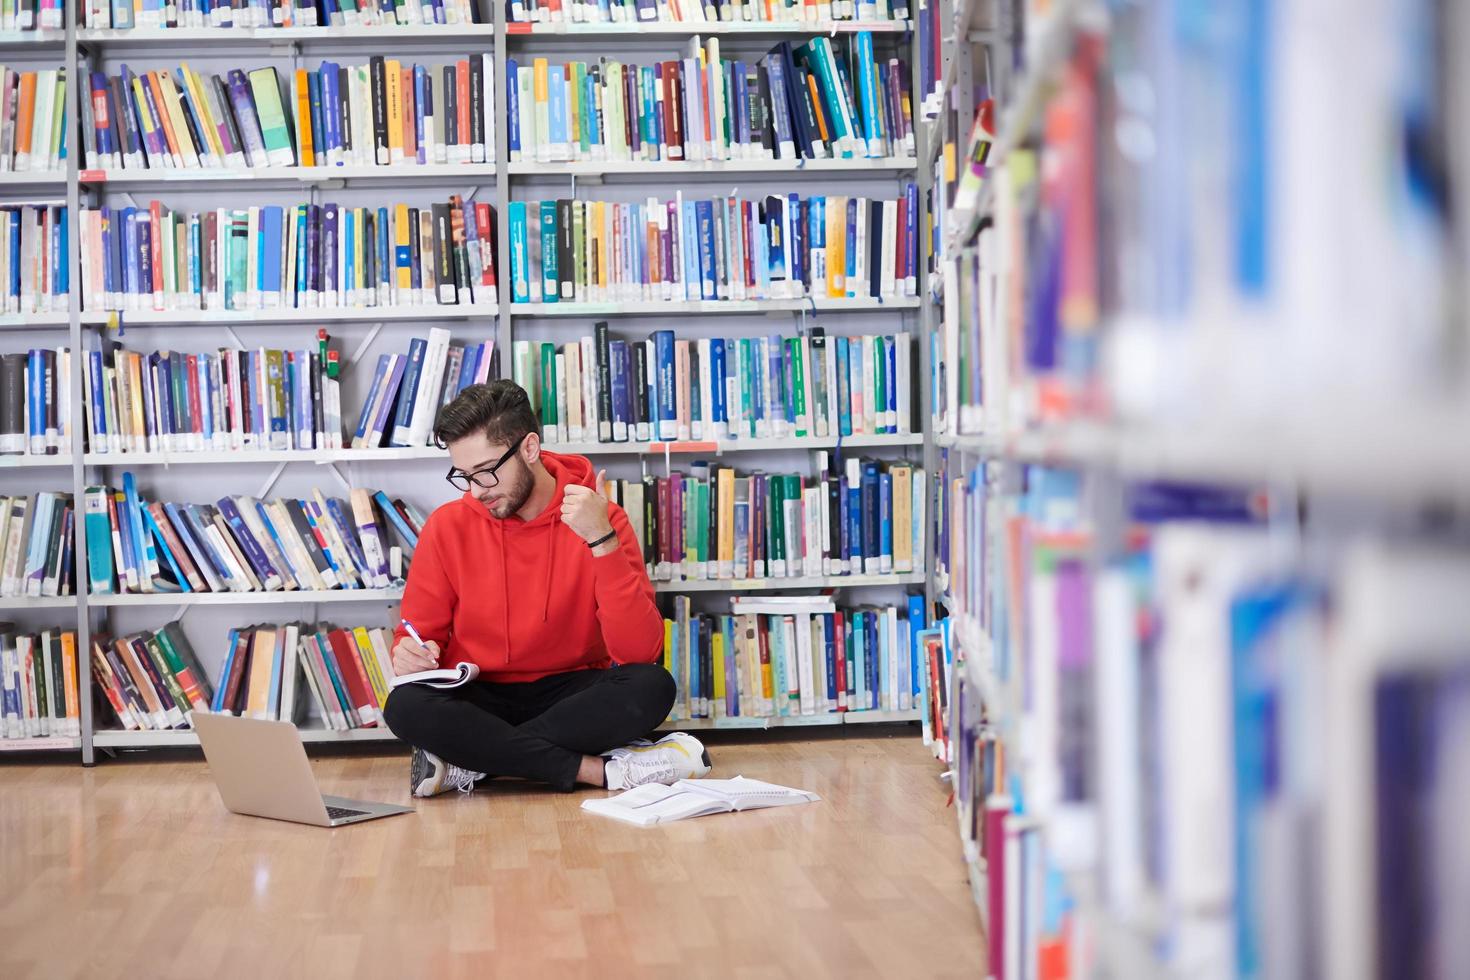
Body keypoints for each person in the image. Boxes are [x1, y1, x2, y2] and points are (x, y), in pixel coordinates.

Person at [382, 380, 710, 798]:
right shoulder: (447, 527)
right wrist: (408, 653)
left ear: (530, 448)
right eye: (464, 476)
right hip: (479, 690)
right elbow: (417, 633)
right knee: (405, 707)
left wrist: (601, 541)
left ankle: (475, 763)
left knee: (651, 686)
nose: (477, 490)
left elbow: (638, 653)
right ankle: (599, 771)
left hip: (570, 692)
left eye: (485, 472)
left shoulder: (600, 519)